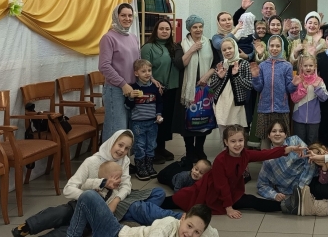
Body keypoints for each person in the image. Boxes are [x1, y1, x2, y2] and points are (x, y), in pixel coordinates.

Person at [12, 130, 178, 237]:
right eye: (120, 145)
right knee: (62, 212)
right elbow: (69, 189)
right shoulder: (92, 162)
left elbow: (126, 185)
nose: (122, 150)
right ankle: (26, 227)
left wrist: (115, 201)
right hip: (81, 202)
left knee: (75, 228)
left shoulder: (124, 161)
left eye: (127, 148)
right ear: (112, 142)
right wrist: (95, 192)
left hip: (105, 208)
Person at [164, 124, 305, 217]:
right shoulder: (220, 160)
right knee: (175, 200)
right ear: (226, 142)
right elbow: (221, 186)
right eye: (233, 141)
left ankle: (287, 206)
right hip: (210, 193)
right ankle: (152, 201)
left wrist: (289, 149)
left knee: (252, 201)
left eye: (240, 141)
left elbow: (265, 154)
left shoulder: (245, 154)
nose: (237, 145)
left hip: (232, 192)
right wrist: (228, 207)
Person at [173, 15, 219, 164]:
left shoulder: (209, 43)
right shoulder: (180, 45)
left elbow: (217, 63)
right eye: (194, 27)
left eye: (200, 26)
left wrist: (206, 76)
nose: (198, 29)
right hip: (187, 89)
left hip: (205, 87)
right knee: (188, 120)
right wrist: (192, 49)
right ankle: (189, 151)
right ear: (189, 29)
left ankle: (200, 149)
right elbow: (180, 64)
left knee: (202, 118)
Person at [66, 197, 218, 237]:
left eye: (197, 232)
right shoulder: (169, 224)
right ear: (182, 218)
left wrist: (201, 230)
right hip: (116, 232)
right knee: (88, 196)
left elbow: (213, 233)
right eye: (189, 226)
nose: (190, 234)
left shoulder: (201, 232)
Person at [99, 3, 142, 141]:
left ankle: (125, 156)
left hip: (132, 89)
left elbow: (138, 63)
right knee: (117, 129)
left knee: (129, 130)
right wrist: (123, 84)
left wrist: (149, 79)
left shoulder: (133, 37)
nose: (127, 18)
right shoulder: (108, 38)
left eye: (130, 15)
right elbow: (104, 66)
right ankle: (109, 156)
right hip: (116, 90)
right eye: (123, 15)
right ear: (116, 17)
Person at [140, 18, 179, 164]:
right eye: (161, 29)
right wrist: (152, 80)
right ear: (156, 30)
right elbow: (143, 68)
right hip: (155, 89)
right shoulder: (148, 47)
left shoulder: (174, 47)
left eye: (167, 29)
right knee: (154, 120)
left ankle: (161, 147)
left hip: (172, 88)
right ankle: (153, 150)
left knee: (166, 121)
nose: (164, 31)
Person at [256, 120, 316, 208]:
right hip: (290, 194)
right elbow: (261, 185)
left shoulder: (295, 141)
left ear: (285, 134)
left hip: (310, 180)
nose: (277, 134)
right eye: (274, 131)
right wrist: (274, 195)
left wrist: (301, 187)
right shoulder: (268, 159)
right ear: (269, 135)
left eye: (281, 131)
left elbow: (310, 161)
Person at [251, 35, 295, 149]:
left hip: (281, 108)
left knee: (282, 139)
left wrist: (294, 84)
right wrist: (255, 77)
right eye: (272, 46)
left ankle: (281, 160)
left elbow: (289, 89)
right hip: (264, 108)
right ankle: (266, 160)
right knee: (265, 139)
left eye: (277, 46)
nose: (274, 48)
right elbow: (258, 88)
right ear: (268, 47)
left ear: (282, 47)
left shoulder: (287, 66)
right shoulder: (262, 65)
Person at [127, 59, 164, 180]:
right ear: (136, 73)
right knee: (140, 145)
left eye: (149, 70)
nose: (147, 73)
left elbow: (159, 103)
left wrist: (159, 114)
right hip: (138, 123)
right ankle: (140, 167)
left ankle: (149, 165)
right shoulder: (133, 88)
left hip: (153, 122)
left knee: (151, 144)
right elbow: (128, 106)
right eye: (143, 71)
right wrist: (131, 97)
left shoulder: (154, 87)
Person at [209, 38, 252, 137]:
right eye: (224, 50)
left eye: (230, 48)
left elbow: (249, 85)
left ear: (235, 48)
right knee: (224, 135)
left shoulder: (244, 63)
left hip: (236, 105)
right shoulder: (220, 65)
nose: (227, 51)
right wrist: (220, 77)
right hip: (221, 104)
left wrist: (236, 75)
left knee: (236, 134)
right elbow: (212, 87)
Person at [290, 54, 328, 144]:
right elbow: (294, 99)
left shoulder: (319, 81)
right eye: (305, 65)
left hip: (314, 119)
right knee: (299, 144)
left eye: (311, 65)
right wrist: (303, 89)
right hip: (299, 117)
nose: (308, 68)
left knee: (312, 143)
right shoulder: (298, 80)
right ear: (301, 66)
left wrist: (317, 88)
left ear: (315, 66)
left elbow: (324, 98)